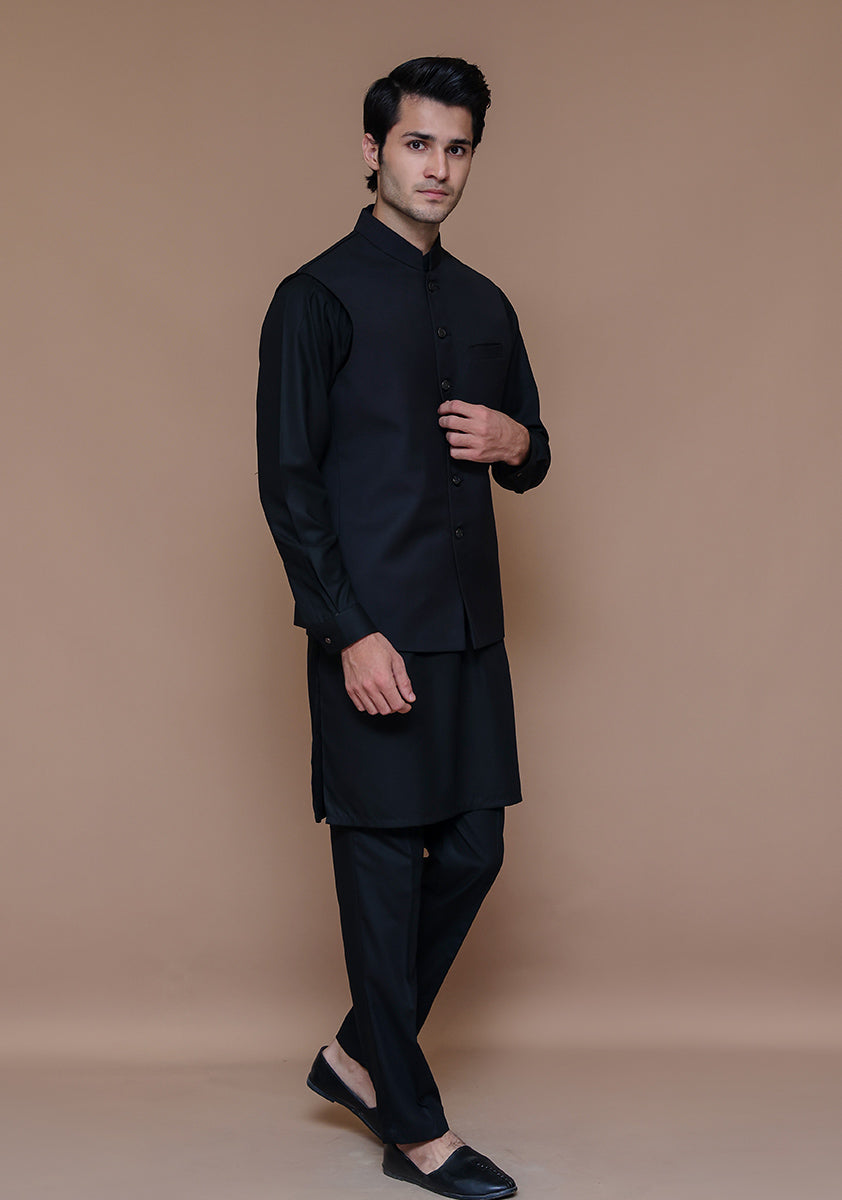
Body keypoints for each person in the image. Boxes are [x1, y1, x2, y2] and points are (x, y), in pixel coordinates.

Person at [256, 56, 550, 1200]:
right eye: (417, 143)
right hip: (371, 629)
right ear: (372, 151)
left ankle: (354, 1053)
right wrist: (347, 634)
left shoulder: (485, 304)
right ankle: (414, 1127)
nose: (437, 166)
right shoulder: (314, 298)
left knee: (473, 851)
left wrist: (518, 444)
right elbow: (289, 485)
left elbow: (530, 450)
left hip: (470, 629)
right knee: (380, 877)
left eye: (456, 147)